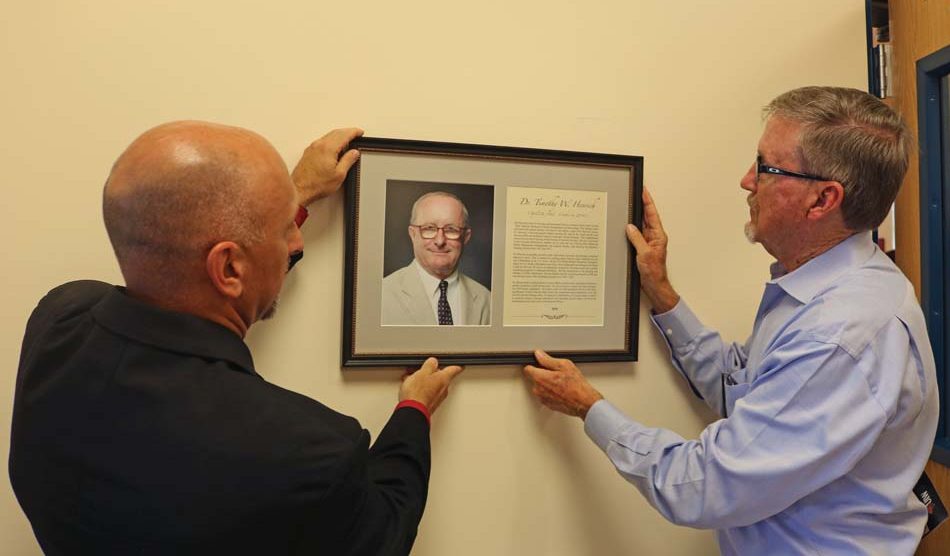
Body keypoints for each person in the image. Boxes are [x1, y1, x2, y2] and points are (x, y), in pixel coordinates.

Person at [10, 121, 464, 555]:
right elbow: (384, 532)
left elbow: (185, 288)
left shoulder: (59, 319)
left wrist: (294, 198)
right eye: (285, 226)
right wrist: (414, 409)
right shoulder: (308, 452)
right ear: (229, 268)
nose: (296, 241)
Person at [522, 86, 939, 555]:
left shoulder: (840, 335)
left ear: (822, 199)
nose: (746, 180)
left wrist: (589, 408)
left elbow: (702, 486)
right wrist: (662, 293)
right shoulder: (820, 290)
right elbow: (743, 390)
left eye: (765, 167)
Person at [381, 191, 490, 326]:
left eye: (451, 230)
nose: (440, 241)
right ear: (413, 234)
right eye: (429, 228)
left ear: (466, 237)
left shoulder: (486, 299)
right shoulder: (381, 295)